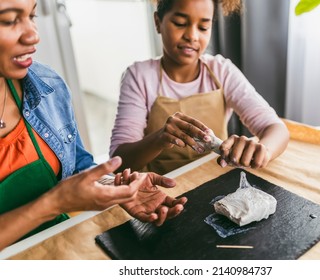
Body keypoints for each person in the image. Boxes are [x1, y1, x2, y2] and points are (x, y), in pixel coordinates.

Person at [0, 0, 186, 251]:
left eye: (32, 15)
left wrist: (115, 186)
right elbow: (59, 198)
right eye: (10, 20)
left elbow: (77, 168)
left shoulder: (47, 86)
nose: (34, 35)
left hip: (58, 249)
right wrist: (53, 204)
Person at [110, 0, 290, 174]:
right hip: (160, 189)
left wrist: (263, 150)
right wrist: (159, 138)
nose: (192, 36)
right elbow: (118, 161)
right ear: (158, 22)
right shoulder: (139, 76)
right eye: (180, 23)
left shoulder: (221, 71)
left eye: (203, 27)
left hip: (215, 180)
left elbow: (276, 129)